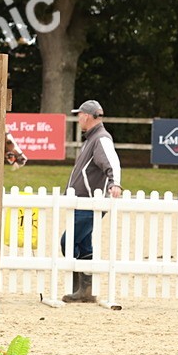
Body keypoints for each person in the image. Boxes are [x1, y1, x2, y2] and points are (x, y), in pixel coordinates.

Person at [60, 99, 122, 303]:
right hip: (84, 201)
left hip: (90, 202)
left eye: (79, 115)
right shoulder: (93, 138)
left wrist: (115, 182)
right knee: (84, 244)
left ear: (86, 115)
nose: (78, 119)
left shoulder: (100, 138)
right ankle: (84, 290)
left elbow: (111, 161)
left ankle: (82, 287)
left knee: (67, 241)